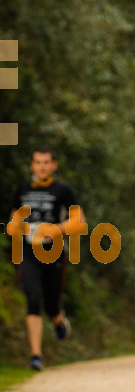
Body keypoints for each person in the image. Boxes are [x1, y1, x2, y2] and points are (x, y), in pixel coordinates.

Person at [10, 147, 84, 370]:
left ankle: (58, 319)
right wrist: (19, 228)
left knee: (51, 303)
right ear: (32, 165)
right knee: (32, 298)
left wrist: (55, 229)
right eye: (37, 162)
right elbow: (13, 222)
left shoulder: (63, 190)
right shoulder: (22, 190)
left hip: (54, 252)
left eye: (46, 162)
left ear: (54, 165)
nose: (42, 166)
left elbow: (78, 221)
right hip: (28, 252)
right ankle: (36, 355)